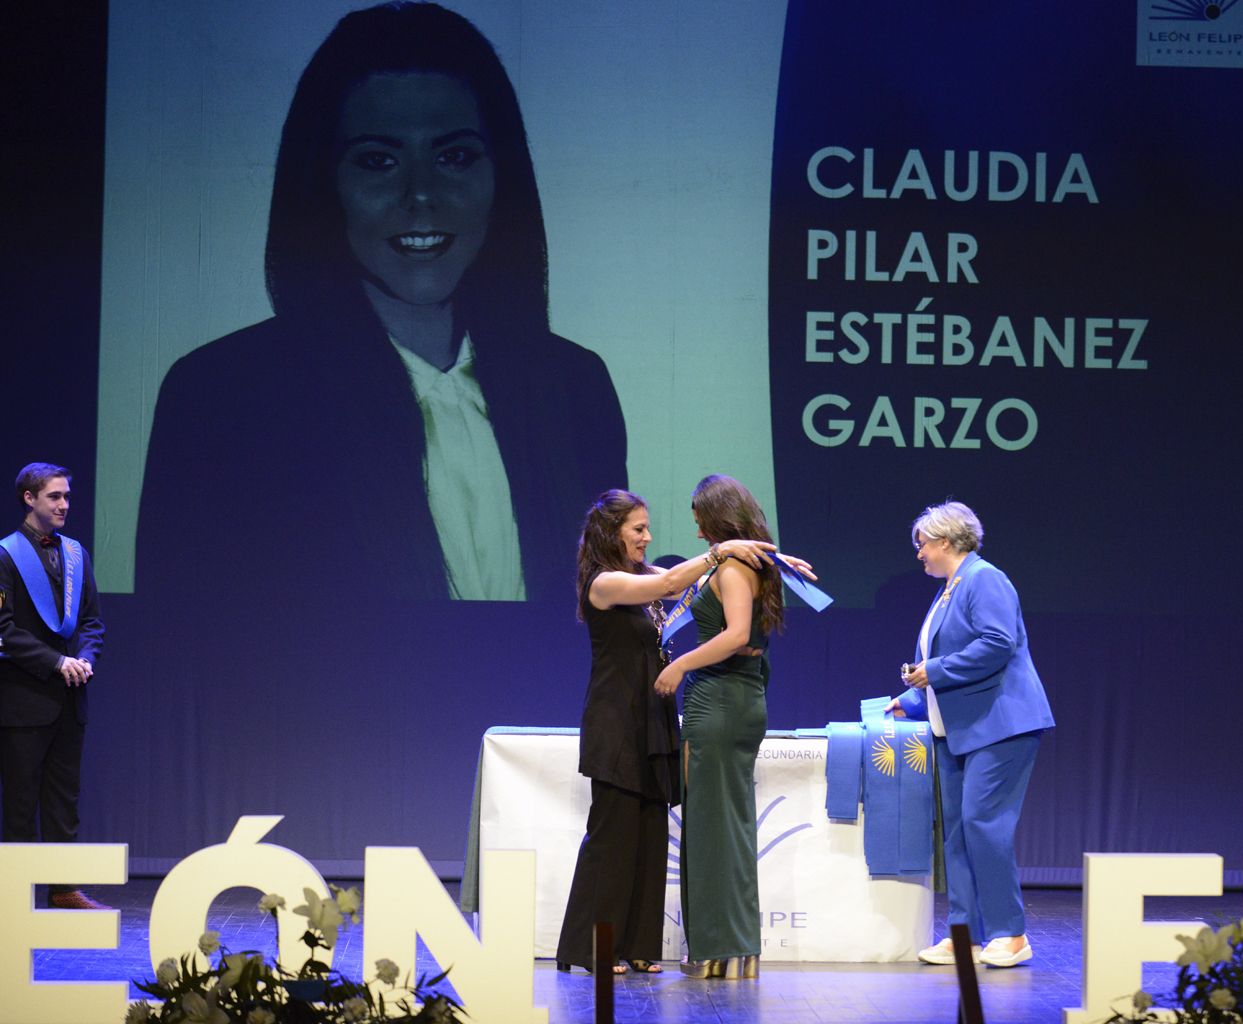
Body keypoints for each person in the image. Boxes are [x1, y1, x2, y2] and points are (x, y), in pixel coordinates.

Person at [137, 1, 625, 602]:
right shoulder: (220, 398)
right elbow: (182, 657)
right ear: (324, 183)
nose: (420, 194)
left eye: (454, 156)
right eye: (378, 161)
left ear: (501, 177)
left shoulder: (576, 388)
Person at [554, 489, 805, 976]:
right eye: (638, 530)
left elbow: (682, 582)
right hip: (616, 720)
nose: (648, 538)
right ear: (612, 533)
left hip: (654, 717)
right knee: (614, 834)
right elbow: (673, 579)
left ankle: (639, 945)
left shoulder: (645, 575)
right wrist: (722, 550)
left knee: (650, 831)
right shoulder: (603, 583)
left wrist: (765, 559)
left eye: (647, 528)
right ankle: (593, 948)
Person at [890, 500, 1053, 969]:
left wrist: (933, 670)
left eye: (922, 544)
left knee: (985, 825)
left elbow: (998, 644)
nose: (918, 553)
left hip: (1000, 726)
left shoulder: (985, 578)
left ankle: (1010, 934)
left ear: (944, 541)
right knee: (960, 834)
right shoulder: (950, 588)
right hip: (959, 729)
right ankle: (966, 936)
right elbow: (951, 665)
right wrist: (914, 699)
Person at [653, 475, 784, 980]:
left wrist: (679, 665)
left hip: (721, 701)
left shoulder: (732, 568)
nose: (696, 528)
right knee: (724, 824)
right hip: (738, 696)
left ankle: (718, 947)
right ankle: (731, 948)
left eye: (700, 519)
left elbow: (735, 634)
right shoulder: (757, 563)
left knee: (712, 827)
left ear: (718, 517)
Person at [0, 464, 108, 910]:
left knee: (65, 798)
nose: (64, 505)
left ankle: (64, 889)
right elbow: (3, 629)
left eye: (67, 496)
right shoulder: (5, 554)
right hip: (23, 699)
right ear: (30, 499)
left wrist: (84, 658)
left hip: (69, 697)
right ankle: (17, 895)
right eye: (54, 497)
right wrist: (55, 661)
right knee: (21, 801)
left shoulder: (76, 553)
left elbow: (91, 622)